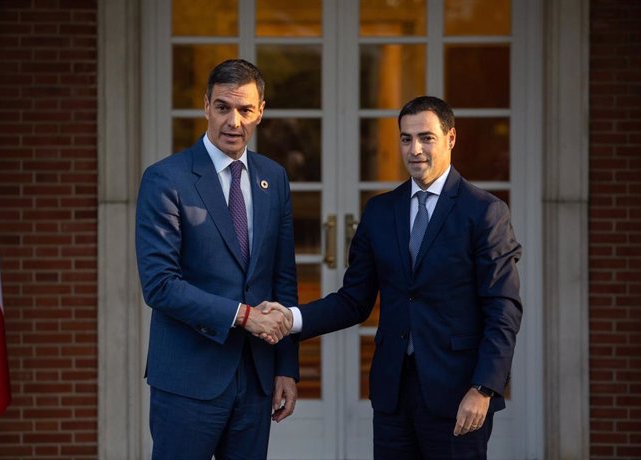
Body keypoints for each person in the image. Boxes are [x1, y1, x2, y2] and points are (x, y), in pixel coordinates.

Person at [261, 96, 522, 459]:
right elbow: (353, 300)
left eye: (426, 138)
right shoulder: (381, 211)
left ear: (450, 139)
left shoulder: (484, 212)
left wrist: (484, 388)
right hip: (392, 393)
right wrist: (292, 319)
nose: (414, 149)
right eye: (405, 139)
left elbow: (503, 309)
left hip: (459, 394)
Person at [135, 59, 299, 460]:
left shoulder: (273, 178)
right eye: (223, 107)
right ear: (206, 105)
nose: (234, 121)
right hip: (188, 379)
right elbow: (160, 285)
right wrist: (243, 315)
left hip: (256, 377)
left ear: (261, 111)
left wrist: (286, 368)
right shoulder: (166, 178)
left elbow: (283, 278)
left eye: (245, 110)